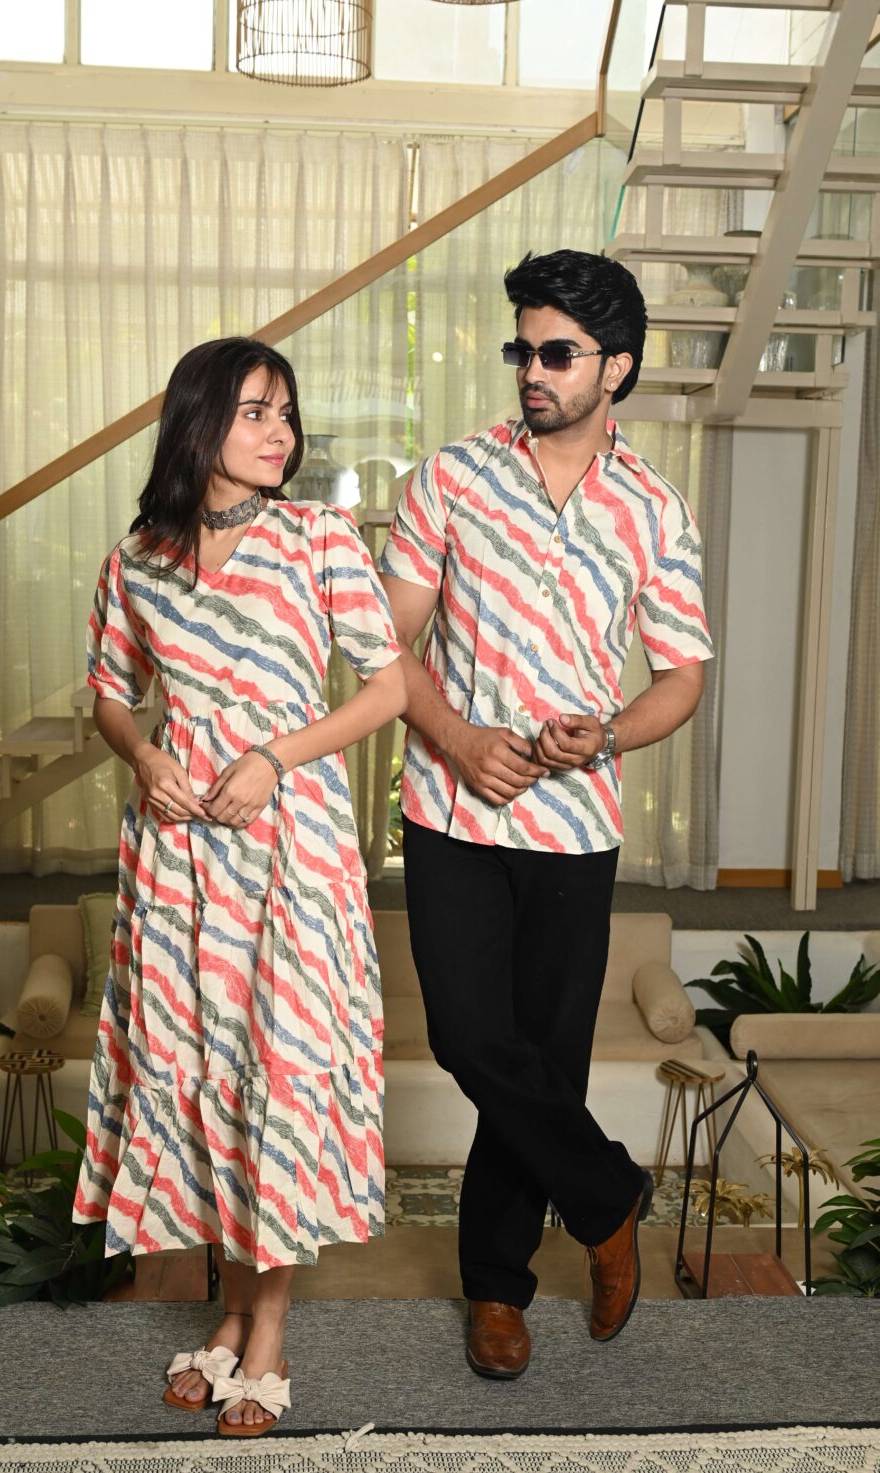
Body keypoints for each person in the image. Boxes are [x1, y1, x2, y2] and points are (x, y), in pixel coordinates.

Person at [378, 249, 714, 1378]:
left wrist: (609, 732)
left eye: (556, 352)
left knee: (545, 1062)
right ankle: (609, 1197)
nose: (531, 369)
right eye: (520, 349)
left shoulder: (654, 509)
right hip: (451, 809)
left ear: (614, 367)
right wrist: (459, 738)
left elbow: (679, 676)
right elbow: (386, 643)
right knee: (471, 1039)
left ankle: (496, 1289)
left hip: (576, 824)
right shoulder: (451, 478)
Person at [73, 336, 406, 1436]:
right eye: (257, 411)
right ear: (198, 420)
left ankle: (266, 1331)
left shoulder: (319, 539)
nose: (280, 433)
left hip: (287, 847)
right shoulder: (138, 559)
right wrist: (143, 754)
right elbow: (109, 693)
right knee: (206, 1078)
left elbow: (388, 690)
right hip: (177, 856)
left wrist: (274, 756)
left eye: (286, 413)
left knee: (275, 1072)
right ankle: (229, 1316)